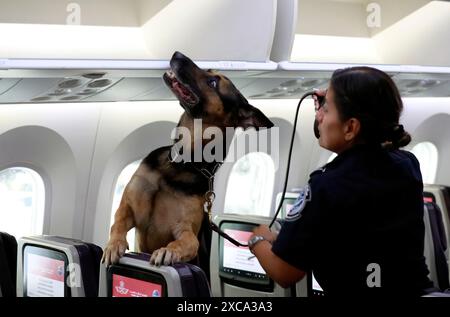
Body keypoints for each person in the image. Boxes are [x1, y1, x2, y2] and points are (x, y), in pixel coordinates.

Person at [248, 66, 433, 296]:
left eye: (325, 109)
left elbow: (285, 273)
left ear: (351, 127)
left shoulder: (327, 184)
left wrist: (257, 241)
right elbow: (356, 234)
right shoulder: (407, 164)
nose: (319, 116)